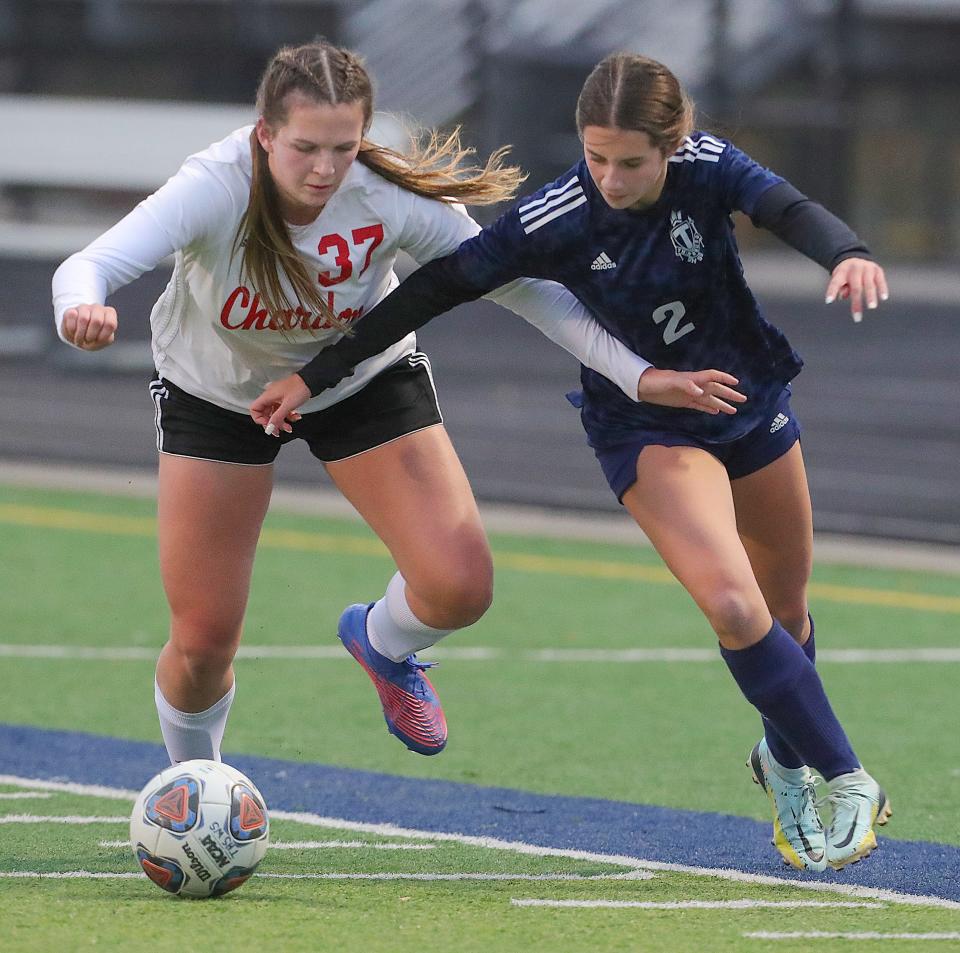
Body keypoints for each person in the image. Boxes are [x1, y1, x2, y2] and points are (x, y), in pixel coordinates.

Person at [250, 52, 895, 873]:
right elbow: (434, 289)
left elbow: (787, 207)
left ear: (672, 146)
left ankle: (785, 762)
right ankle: (847, 778)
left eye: (631, 162)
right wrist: (314, 374)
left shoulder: (708, 167)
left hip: (744, 396)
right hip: (646, 423)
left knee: (786, 613)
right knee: (735, 607)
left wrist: (846, 251)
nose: (611, 179)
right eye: (596, 157)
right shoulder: (558, 215)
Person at [51, 41, 742, 768]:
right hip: (218, 396)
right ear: (265, 135)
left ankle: (382, 643)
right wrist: (82, 308)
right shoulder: (215, 186)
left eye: (344, 147)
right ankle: (194, 785)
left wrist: (640, 376)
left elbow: (518, 285)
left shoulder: (386, 196)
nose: (324, 168)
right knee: (201, 644)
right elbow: (88, 265)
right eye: (304, 147)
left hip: (360, 381)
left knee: (460, 585)